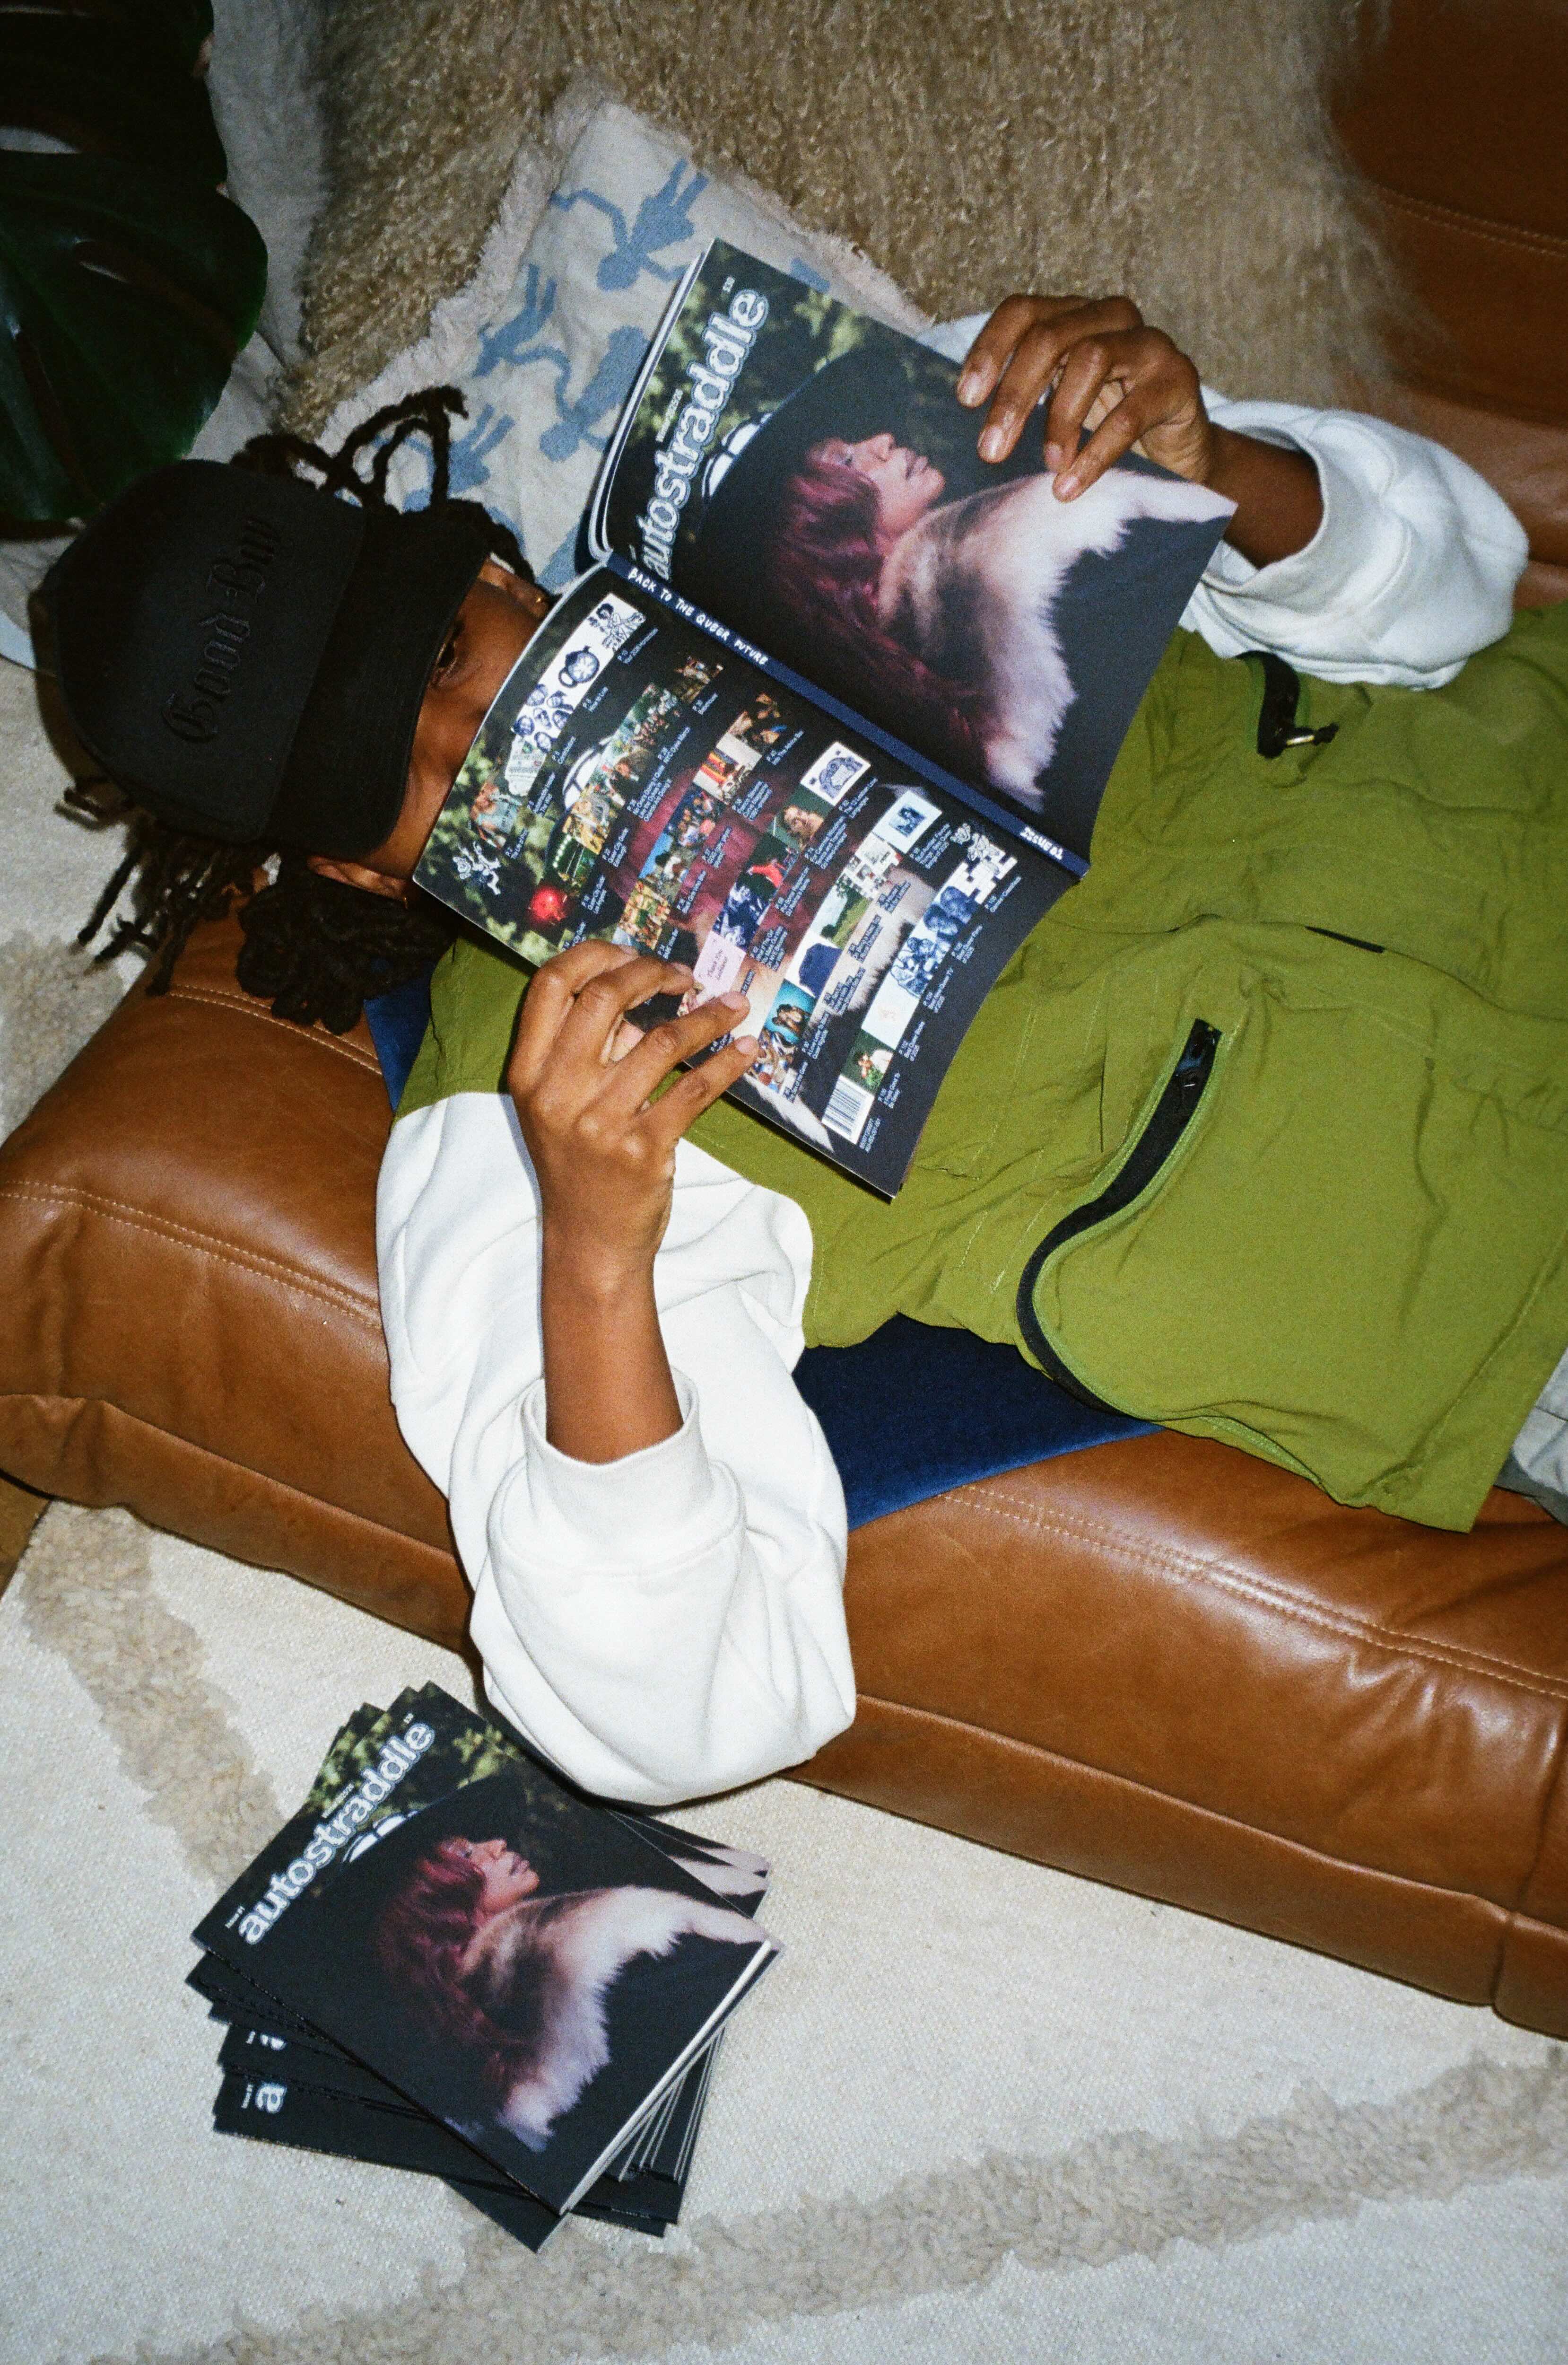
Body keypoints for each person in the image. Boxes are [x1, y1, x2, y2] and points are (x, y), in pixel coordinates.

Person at [43, 295, 1564, 1808]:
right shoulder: (526, 1114)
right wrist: (593, 1249)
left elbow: (1457, 596)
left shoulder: (811, 476)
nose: (481, 741)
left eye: (445, 654)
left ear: (500, 575)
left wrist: (1223, 468)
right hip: (1502, 1254)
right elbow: (672, 1710)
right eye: (393, 786)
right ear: (358, 874)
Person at [373, 1831, 762, 2148]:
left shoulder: (490, 2017)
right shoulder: (577, 1950)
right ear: (434, 1903)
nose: (497, 1844)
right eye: (465, 1852)